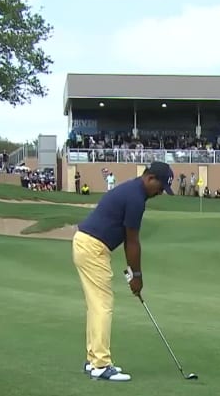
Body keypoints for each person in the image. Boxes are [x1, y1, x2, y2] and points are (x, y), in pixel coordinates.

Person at [72, 161, 175, 382]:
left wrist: (133, 275)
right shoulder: (136, 198)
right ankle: (100, 364)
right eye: (160, 187)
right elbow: (132, 242)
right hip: (92, 247)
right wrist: (136, 276)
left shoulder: (133, 191)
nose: (159, 193)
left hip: (86, 244)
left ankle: (93, 361)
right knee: (102, 304)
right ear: (149, 178)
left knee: (96, 304)